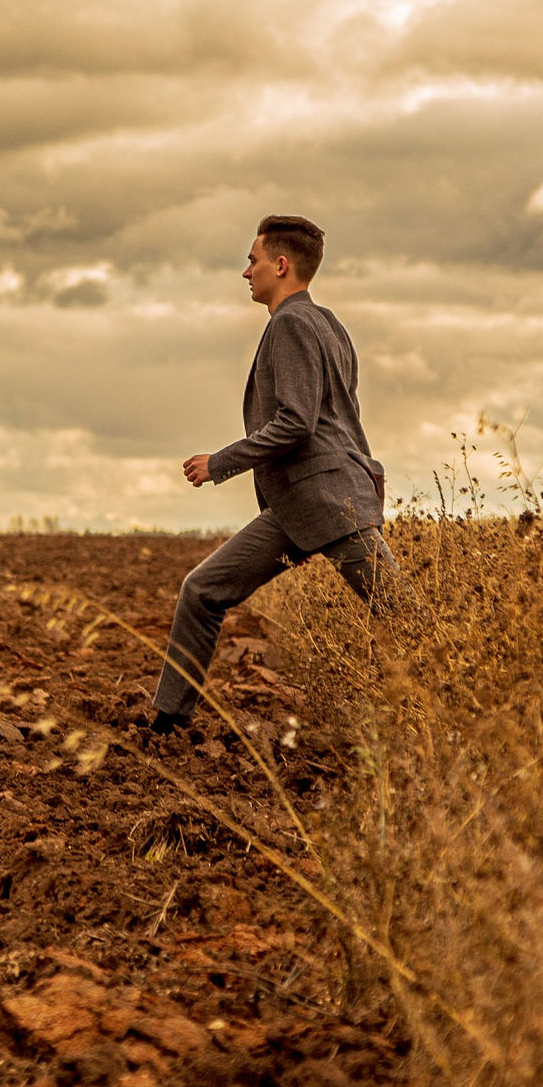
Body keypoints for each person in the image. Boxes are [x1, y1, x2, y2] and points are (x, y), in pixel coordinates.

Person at [150, 215, 392, 736]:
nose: (246, 273)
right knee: (203, 590)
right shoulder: (330, 324)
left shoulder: (290, 324)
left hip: (327, 501)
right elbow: (344, 420)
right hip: (308, 502)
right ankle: (167, 725)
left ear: (280, 266)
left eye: (252, 260)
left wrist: (221, 463)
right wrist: (369, 475)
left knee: (404, 619)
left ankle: (472, 709)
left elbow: (298, 423)